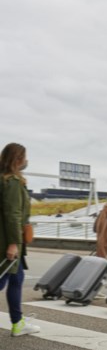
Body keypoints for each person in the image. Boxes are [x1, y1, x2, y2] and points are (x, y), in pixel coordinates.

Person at [0, 143, 40, 336]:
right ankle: (18, 323)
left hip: (6, 237)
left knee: (17, 279)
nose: (26, 161)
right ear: (17, 159)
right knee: (3, 280)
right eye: (24, 157)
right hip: (8, 240)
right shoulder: (12, 182)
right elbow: (13, 214)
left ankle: (18, 323)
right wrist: (14, 243)